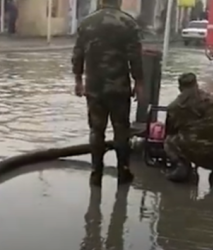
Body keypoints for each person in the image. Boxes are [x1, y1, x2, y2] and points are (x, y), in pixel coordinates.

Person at [72, 0, 143, 187]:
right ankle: (123, 171)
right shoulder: (128, 23)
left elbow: (78, 53)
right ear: (119, 2)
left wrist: (78, 80)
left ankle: (96, 173)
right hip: (119, 86)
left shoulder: (87, 22)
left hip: (94, 86)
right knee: (121, 129)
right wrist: (140, 82)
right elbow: (135, 56)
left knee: (96, 130)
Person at [164, 73, 213, 184]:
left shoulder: (175, 107)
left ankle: (182, 166)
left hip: (195, 152)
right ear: (197, 84)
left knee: (168, 141)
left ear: (180, 88)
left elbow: (170, 130)